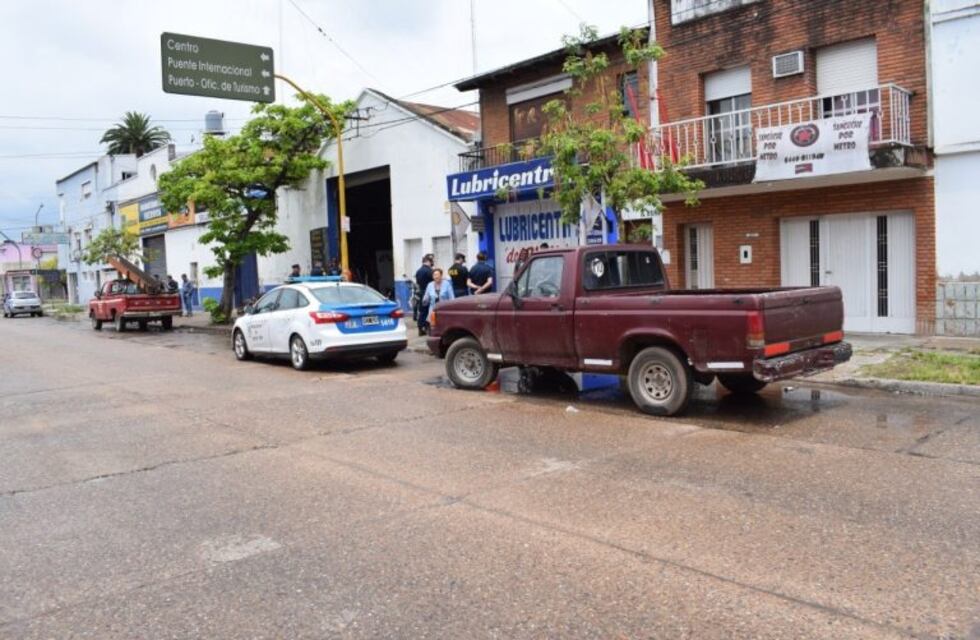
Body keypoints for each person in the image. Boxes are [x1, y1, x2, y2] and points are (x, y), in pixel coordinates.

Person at [414, 254, 434, 335]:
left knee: (422, 311)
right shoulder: (429, 271)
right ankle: (427, 327)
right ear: (428, 261)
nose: (432, 263)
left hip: (421, 292)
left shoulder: (418, 271)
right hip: (428, 293)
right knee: (429, 311)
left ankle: (420, 328)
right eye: (431, 261)